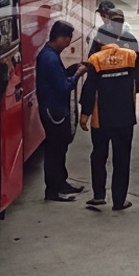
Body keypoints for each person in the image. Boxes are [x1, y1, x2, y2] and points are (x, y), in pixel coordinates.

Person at [79, 11, 139, 211]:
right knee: (122, 158)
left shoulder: (96, 60)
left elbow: (89, 89)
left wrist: (85, 115)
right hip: (125, 117)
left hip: (101, 119)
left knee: (99, 155)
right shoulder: (131, 54)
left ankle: (99, 195)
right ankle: (119, 200)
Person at [36, 20, 88, 202]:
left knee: (61, 148)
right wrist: (77, 76)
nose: (68, 43)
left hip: (56, 108)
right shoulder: (49, 58)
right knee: (54, 150)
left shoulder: (51, 54)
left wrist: (71, 70)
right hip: (54, 110)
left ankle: (61, 182)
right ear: (60, 37)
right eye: (68, 39)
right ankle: (53, 189)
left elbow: (58, 78)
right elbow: (64, 88)